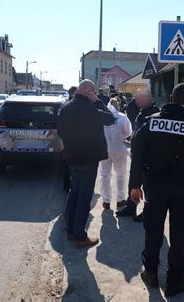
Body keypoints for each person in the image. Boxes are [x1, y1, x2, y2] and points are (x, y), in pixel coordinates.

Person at [130, 83, 184, 297]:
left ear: (171, 98)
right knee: (178, 235)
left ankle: (151, 273)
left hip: (154, 188)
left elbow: (137, 154)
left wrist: (134, 186)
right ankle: (175, 281)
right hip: (181, 189)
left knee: (153, 231)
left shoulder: (148, 123)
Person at [58, 79, 115, 249]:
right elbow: (110, 118)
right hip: (88, 160)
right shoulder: (91, 108)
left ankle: (70, 230)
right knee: (84, 197)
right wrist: (97, 101)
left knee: (74, 193)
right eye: (94, 92)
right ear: (89, 92)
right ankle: (80, 236)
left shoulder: (65, 107)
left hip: (72, 158)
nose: (96, 95)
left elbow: (60, 131)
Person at [117, 89, 159, 222]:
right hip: (138, 155)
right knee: (134, 181)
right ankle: (131, 207)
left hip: (148, 158)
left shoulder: (155, 114)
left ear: (147, 99)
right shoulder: (142, 111)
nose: (136, 101)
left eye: (138, 99)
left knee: (147, 187)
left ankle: (147, 212)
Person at [99, 98, 132, 210]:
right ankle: (120, 199)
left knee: (105, 175)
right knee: (121, 174)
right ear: (117, 105)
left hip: (104, 148)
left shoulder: (102, 118)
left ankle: (106, 200)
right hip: (118, 147)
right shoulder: (122, 117)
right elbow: (128, 132)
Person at [62, 86, 78, 192]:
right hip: (72, 141)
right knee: (70, 165)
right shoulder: (69, 106)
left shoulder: (65, 106)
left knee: (69, 164)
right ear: (72, 93)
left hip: (68, 140)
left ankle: (68, 186)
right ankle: (68, 186)